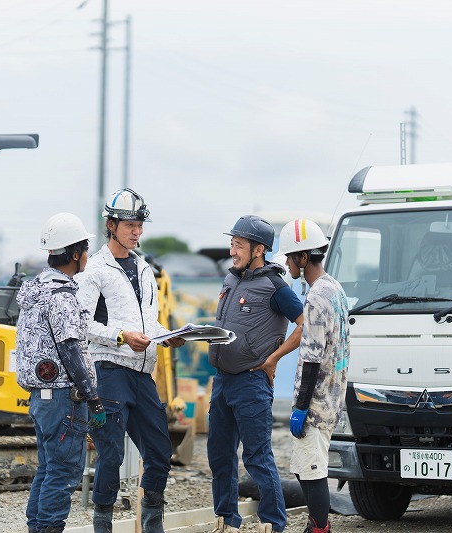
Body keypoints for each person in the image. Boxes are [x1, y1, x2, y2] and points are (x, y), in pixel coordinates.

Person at [75, 188, 186, 533]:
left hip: (142, 373)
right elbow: (80, 322)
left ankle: (152, 526)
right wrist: (121, 337)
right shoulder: (95, 269)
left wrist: (168, 336)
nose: (137, 231)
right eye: (130, 225)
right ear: (111, 225)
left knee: (159, 453)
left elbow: (147, 323)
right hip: (109, 371)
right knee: (111, 454)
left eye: (140, 225)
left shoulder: (144, 268)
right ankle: (102, 525)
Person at [208, 214, 304, 533]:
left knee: (257, 457)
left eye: (238, 245)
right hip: (222, 381)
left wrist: (274, 358)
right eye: (231, 244)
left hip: (251, 383)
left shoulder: (275, 286)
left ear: (258, 249)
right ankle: (227, 519)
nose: (232, 251)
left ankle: (274, 523)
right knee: (219, 455)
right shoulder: (230, 280)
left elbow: (305, 325)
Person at [15, 212, 107, 533]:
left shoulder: (36, 290)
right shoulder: (62, 297)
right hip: (63, 400)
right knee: (64, 473)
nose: (87, 255)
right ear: (72, 254)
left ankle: (37, 529)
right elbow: (70, 350)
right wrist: (94, 399)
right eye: (84, 248)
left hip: (41, 400)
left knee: (48, 470)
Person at [276, 218, 350, 533]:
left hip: (317, 402)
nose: (288, 264)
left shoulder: (317, 296)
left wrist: (301, 407)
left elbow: (312, 358)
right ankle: (316, 525)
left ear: (304, 258)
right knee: (304, 467)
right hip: (333, 395)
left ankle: (319, 528)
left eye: (291, 257)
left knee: (312, 470)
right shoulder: (335, 287)